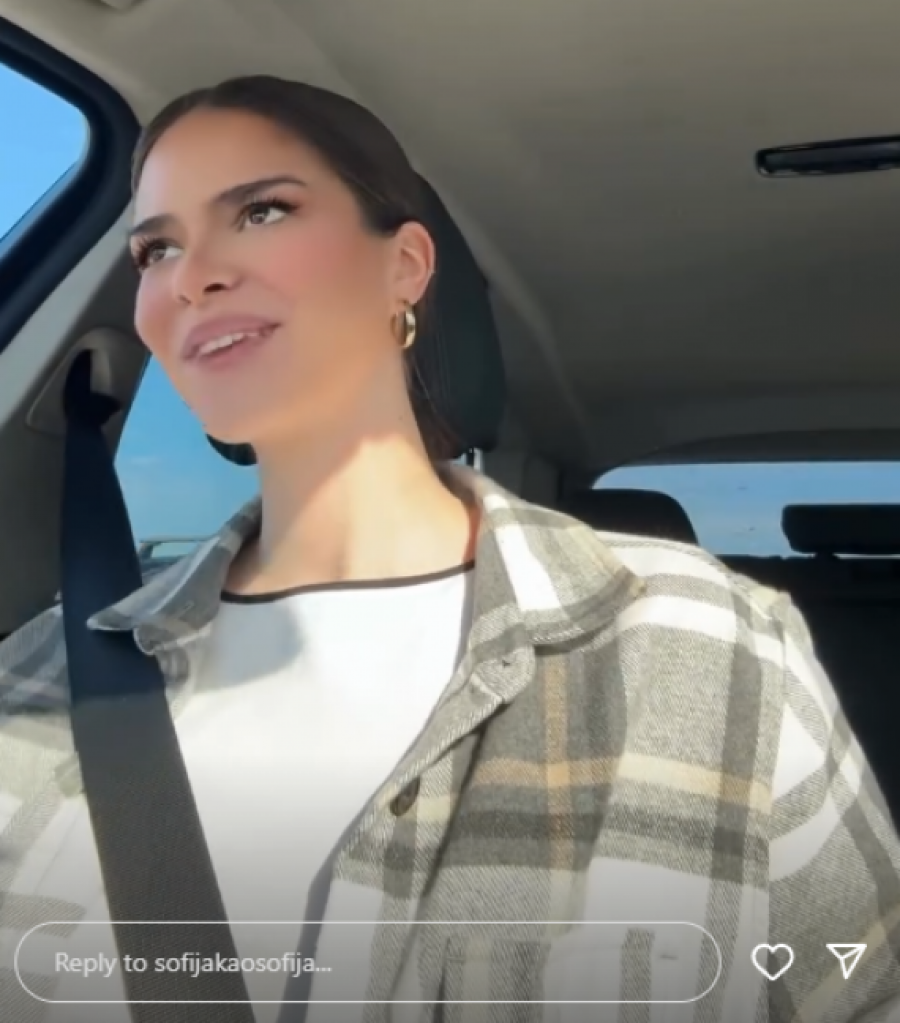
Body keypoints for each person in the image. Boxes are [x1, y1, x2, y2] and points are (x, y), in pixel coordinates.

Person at [0, 73, 898, 1023]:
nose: (191, 276)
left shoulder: (707, 642)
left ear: (405, 265)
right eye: (157, 249)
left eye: (261, 210)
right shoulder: (42, 672)